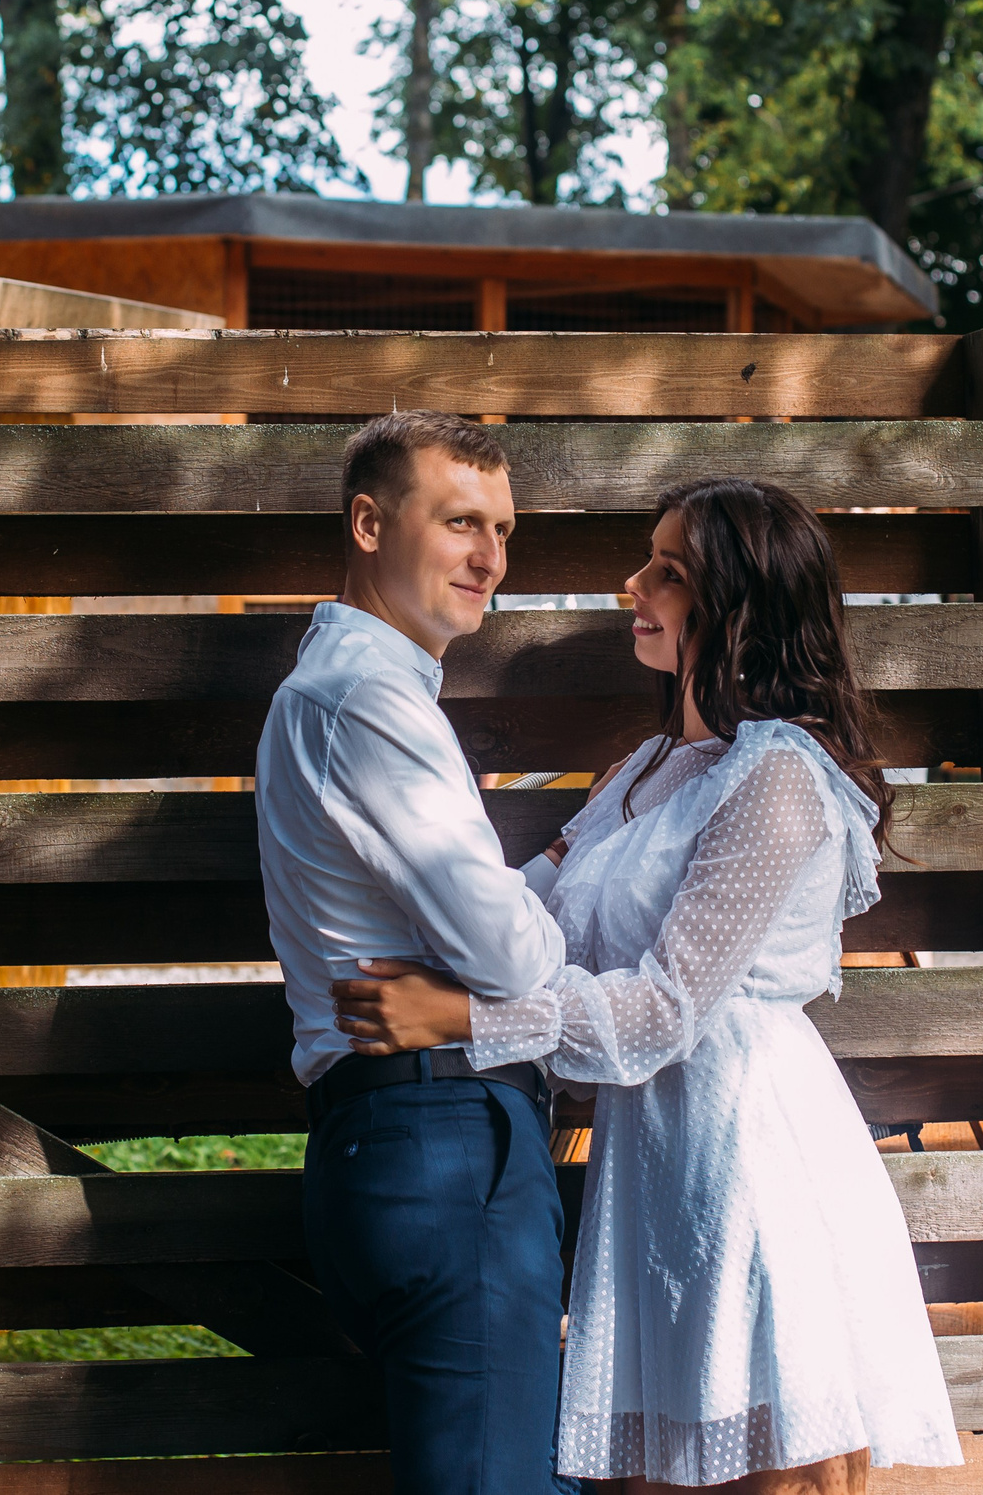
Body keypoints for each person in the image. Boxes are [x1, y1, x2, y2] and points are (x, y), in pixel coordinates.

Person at [333, 478, 964, 1494]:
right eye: (648, 560)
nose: (633, 583)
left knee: (774, 1474)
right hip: (652, 1163)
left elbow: (665, 1009)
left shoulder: (778, 777)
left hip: (750, 1153)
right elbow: (525, 916)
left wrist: (462, 1018)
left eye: (668, 572)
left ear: (743, 610)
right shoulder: (641, 773)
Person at [253, 411, 578, 1495]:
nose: (488, 557)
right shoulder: (367, 699)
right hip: (442, 1132)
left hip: (399, 1133)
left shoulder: (345, 688)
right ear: (367, 522)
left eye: (502, 529)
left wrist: (515, 892)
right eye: (457, 523)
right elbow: (512, 958)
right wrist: (533, 908)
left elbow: (481, 926)